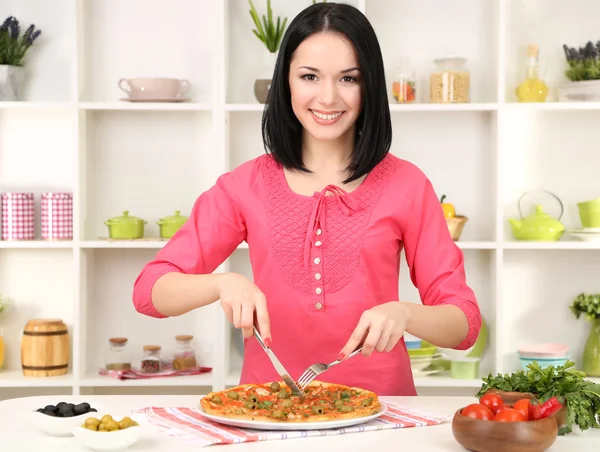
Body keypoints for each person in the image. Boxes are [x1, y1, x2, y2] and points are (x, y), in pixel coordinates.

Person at [132, 2, 481, 396]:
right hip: (267, 412)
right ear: (286, 82)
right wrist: (221, 284)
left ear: (371, 85)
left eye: (349, 78)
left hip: (383, 414)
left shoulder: (407, 184)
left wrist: (405, 313)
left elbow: (464, 324)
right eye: (310, 76)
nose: (328, 97)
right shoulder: (244, 185)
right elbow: (149, 291)